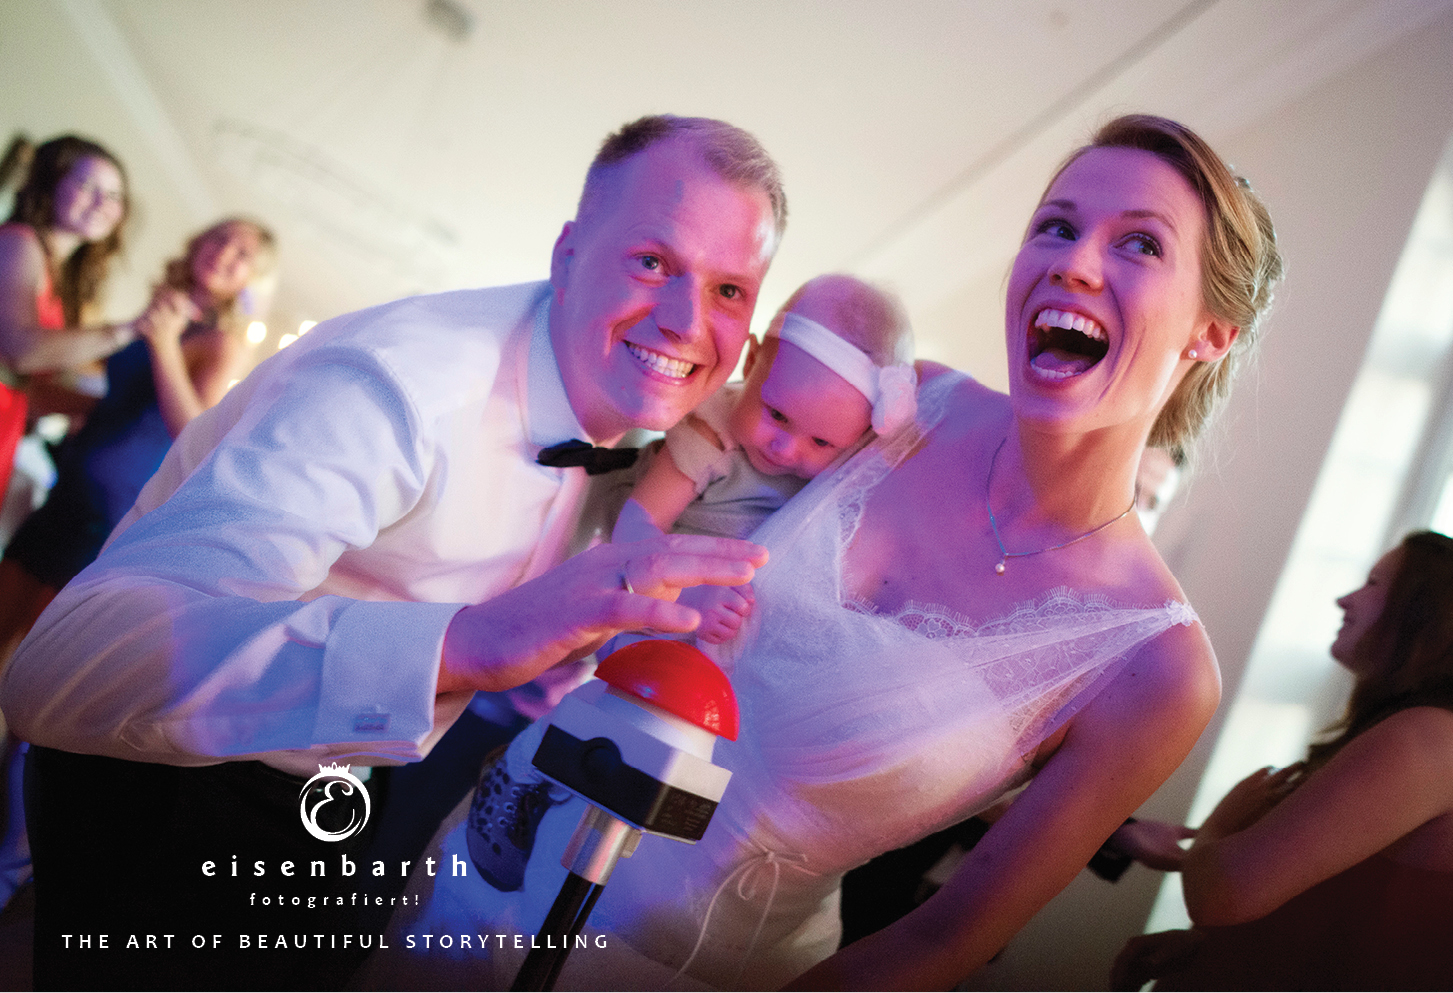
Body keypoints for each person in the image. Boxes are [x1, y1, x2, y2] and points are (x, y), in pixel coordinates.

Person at [367, 112, 1284, 990]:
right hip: (498, 849)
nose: (1073, 263)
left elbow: (945, 937)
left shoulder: (1156, 665)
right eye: (1056, 225)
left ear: (1211, 331)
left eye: (1139, 244)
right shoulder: (908, 404)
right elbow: (711, 443)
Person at [0, 114, 784, 990]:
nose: (685, 321)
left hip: (342, 784)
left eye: (728, 289)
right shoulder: (396, 386)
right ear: (568, 252)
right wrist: (464, 644)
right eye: (652, 262)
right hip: (171, 778)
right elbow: (59, 667)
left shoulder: (664, 431)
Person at [1111, 530, 1453, 991]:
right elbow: (1345, 910)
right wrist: (1210, 948)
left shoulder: (1426, 738)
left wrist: (1218, 826)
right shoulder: (1416, 732)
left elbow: (1224, 894)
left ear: (1423, 614)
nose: (1344, 599)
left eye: (1373, 583)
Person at [0, 216, 274, 665]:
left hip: (111, 513)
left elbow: (191, 433)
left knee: (36, 662)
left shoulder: (222, 344)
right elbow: (121, 403)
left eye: (242, 254)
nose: (225, 252)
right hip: (66, 491)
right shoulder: (161, 311)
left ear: (251, 278)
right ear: (198, 242)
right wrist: (42, 395)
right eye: (220, 238)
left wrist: (163, 341)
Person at [612, 273, 915, 642]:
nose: (785, 449)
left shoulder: (841, 470)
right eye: (777, 415)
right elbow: (634, 528)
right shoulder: (710, 433)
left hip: (743, 633)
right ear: (751, 361)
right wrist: (687, 597)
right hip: (654, 616)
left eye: (820, 442)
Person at [0, 134, 133, 535]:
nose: (101, 202)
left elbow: (28, 386)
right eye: (87, 186)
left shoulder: (58, 273)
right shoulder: (19, 242)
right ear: (51, 183)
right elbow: (20, 351)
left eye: (114, 195)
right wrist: (129, 329)